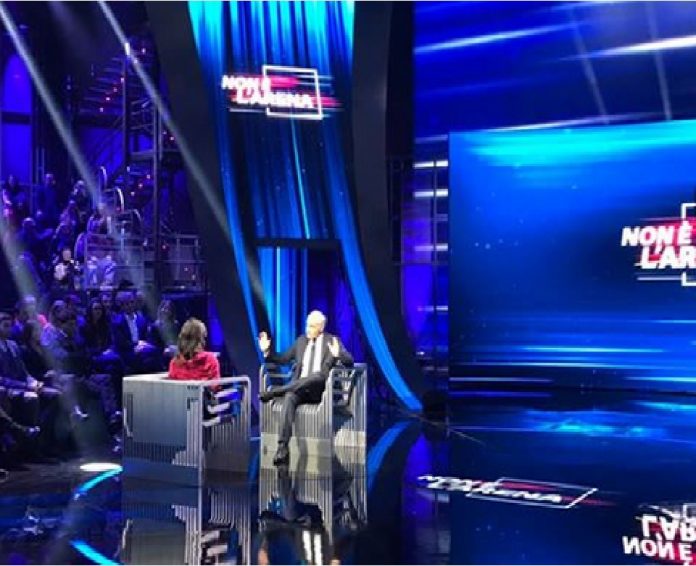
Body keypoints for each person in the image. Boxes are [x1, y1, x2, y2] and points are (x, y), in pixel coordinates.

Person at [258, 310, 353, 465]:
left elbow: (350, 361)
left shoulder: (332, 341)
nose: (307, 329)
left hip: (320, 390)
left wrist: (338, 355)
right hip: (299, 389)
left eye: (312, 326)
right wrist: (267, 351)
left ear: (321, 328)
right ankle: (282, 448)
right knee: (289, 397)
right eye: (307, 325)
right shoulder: (301, 341)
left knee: (317, 376)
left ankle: (275, 392)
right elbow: (282, 358)